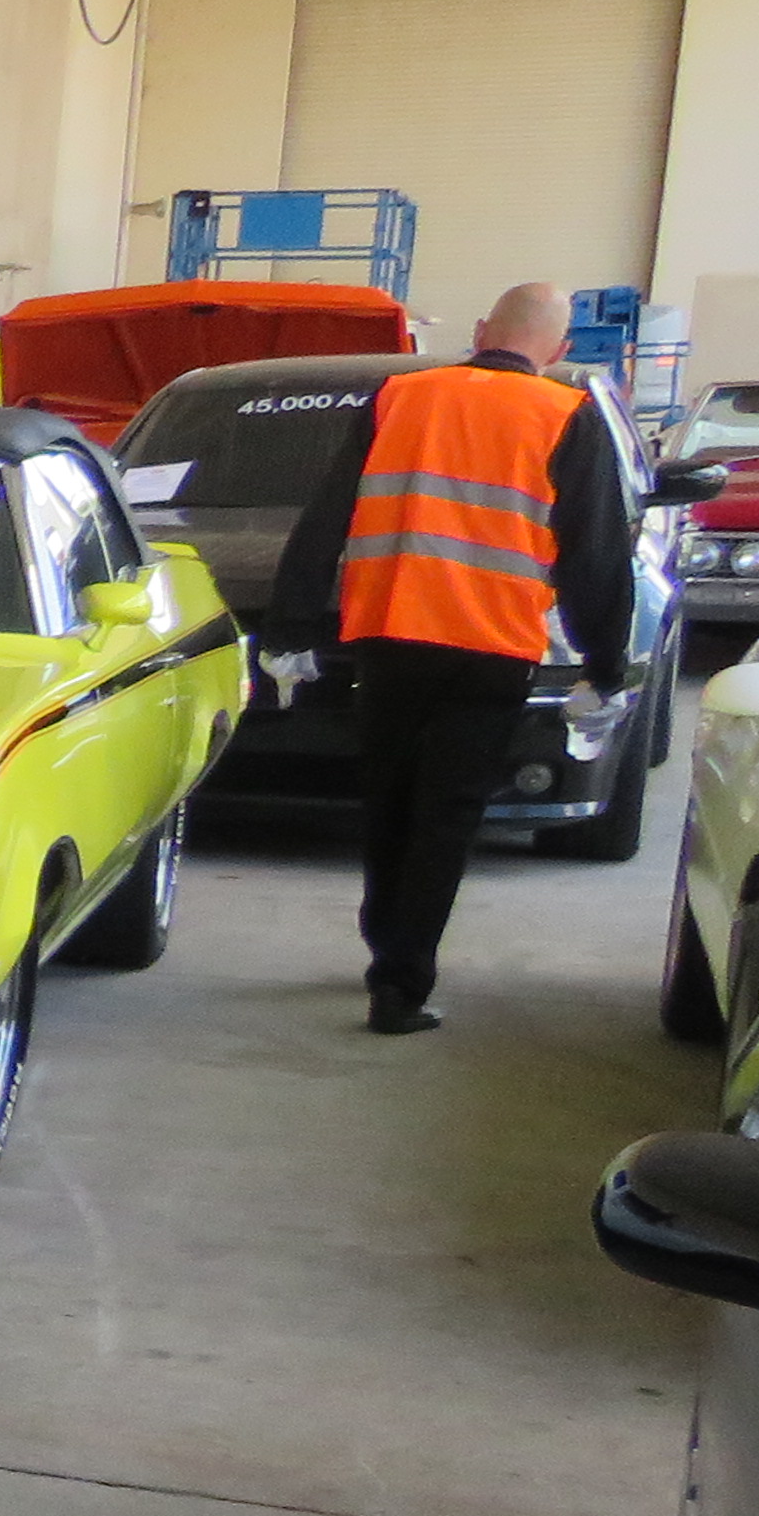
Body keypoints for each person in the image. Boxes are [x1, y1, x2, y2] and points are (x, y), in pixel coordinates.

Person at [267, 281, 637, 1033]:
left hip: (390, 634)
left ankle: (387, 944)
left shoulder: (401, 396)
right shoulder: (568, 415)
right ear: (559, 351)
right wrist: (605, 664)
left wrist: (291, 628)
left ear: (478, 329)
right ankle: (399, 986)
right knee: (446, 815)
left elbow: (326, 516)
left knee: (392, 799)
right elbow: (596, 558)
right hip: (491, 647)